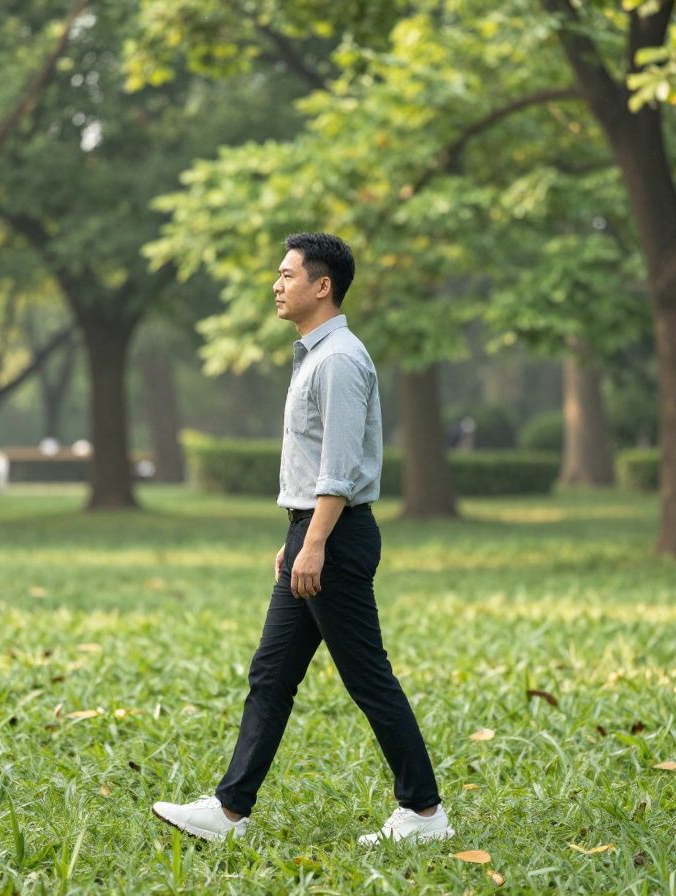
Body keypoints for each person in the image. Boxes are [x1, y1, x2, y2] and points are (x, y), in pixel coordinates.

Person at [151, 233, 452, 846]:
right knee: (271, 673)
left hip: (334, 539)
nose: (276, 284)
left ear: (322, 286)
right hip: (312, 535)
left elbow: (338, 469)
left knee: (367, 676)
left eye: (287, 274)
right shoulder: (316, 356)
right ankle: (229, 811)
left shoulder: (339, 359)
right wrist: (297, 537)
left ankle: (424, 814)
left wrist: (312, 543)